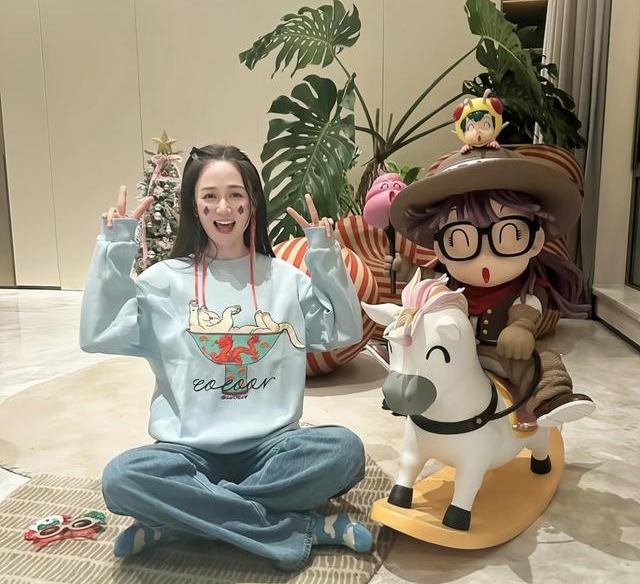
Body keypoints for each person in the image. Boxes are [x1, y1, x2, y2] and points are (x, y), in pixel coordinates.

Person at [80, 144, 373, 571]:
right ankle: (302, 527)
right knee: (124, 478)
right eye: (210, 196)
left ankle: (181, 522)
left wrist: (325, 256)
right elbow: (98, 333)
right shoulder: (163, 281)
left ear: (252, 202)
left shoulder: (285, 279)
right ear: (193, 205)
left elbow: (345, 330)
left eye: (236, 194)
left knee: (344, 451)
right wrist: (114, 247)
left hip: (272, 447)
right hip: (187, 452)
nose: (224, 207)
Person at [386, 147, 595, 428]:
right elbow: (430, 278)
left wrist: (520, 327)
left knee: (542, 361)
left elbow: (527, 306)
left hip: (500, 352)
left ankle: (552, 400)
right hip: (452, 351)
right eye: (460, 240)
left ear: (535, 241)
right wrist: (409, 270)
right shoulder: (448, 280)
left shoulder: (529, 286)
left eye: (509, 235)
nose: (485, 256)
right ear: (441, 250)